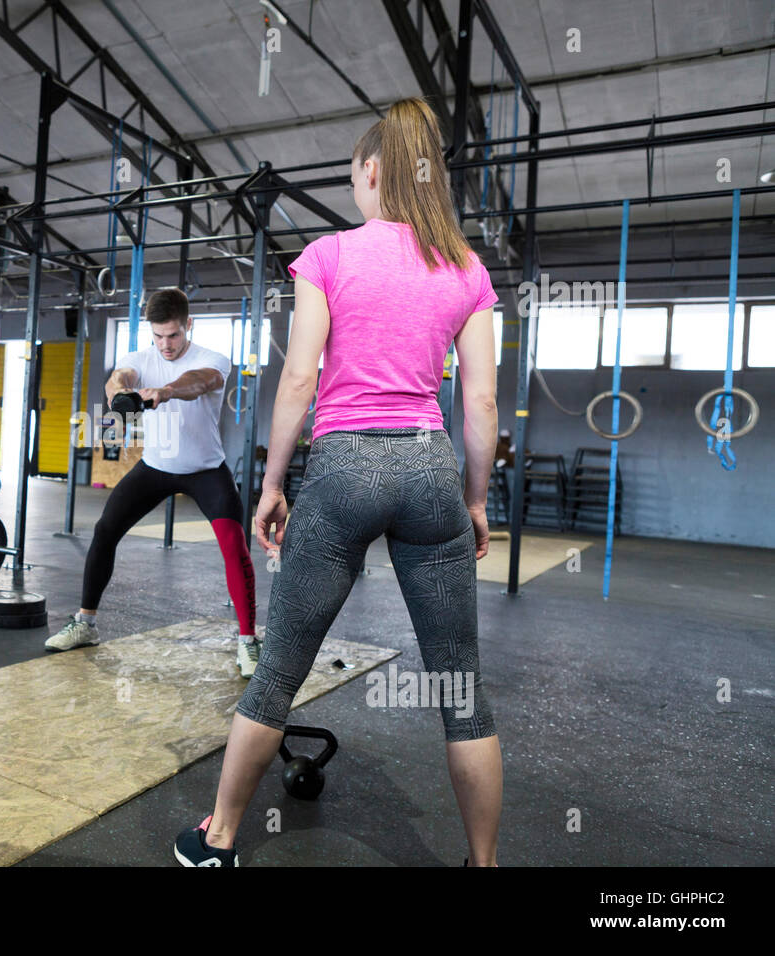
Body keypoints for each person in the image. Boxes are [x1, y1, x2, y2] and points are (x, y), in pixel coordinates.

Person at [174, 97, 503, 866]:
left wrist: (271, 483)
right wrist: (477, 499)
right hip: (428, 465)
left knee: (281, 669)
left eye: (355, 175)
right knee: (462, 689)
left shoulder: (327, 256)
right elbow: (481, 400)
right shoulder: (466, 267)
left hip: (344, 462)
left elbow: (298, 380)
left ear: (370, 172)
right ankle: (484, 864)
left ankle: (217, 838)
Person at [45, 289, 261, 677]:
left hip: (206, 470)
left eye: (173, 335)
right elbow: (120, 378)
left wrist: (166, 391)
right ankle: (85, 624)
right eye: (158, 336)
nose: (165, 345)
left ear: (188, 325)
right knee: (105, 530)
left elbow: (199, 382)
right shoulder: (139, 359)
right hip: (155, 467)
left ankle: (248, 642)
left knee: (234, 546)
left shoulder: (213, 359)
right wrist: (120, 393)